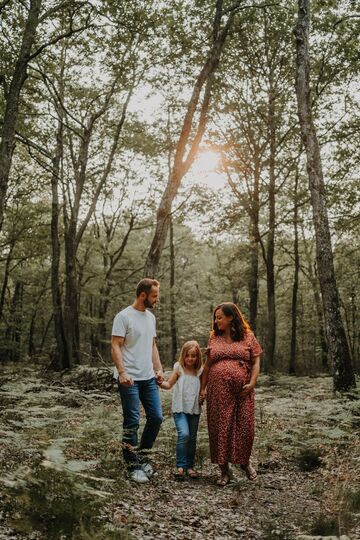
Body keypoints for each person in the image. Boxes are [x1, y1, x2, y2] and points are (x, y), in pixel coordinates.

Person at [199, 302, 262, 486]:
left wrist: (252, 383)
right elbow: (208, 365)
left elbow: (256, 362)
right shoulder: (214, 338)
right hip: (218, 391)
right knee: (221, 427)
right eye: (215, 318)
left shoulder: (248, 337)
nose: (216, 321)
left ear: (230, 317)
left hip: (243, 390)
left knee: (246, 427)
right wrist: (203, 388)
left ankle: (244, 463)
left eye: (219, 317)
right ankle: (224, 471)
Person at [111, 278, 164, 483]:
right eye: (154, 296)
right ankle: (132, 465)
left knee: (156, 418)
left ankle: (142, 457)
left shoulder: (151, 318)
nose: (156, 299)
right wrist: (122, 372)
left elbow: (152, 346)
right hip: (129, 378)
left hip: (148, 378)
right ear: (143, 295)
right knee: (132, 421)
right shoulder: (123, 316)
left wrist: (158, 369)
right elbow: (115, 345)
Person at [160, 340, 203, 479]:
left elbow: (204, 387)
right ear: (183, 356)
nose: (190, 359)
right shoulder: (179, 368)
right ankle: (180, 466)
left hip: (195, 409)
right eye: (187, 356)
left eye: (193, 356)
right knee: (184, 434)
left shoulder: (199, 371)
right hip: (180, 409)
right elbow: (168, 384)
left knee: (192, 438)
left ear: (198, 357)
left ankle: (190, 467)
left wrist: (204, 393)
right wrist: (159, 382)